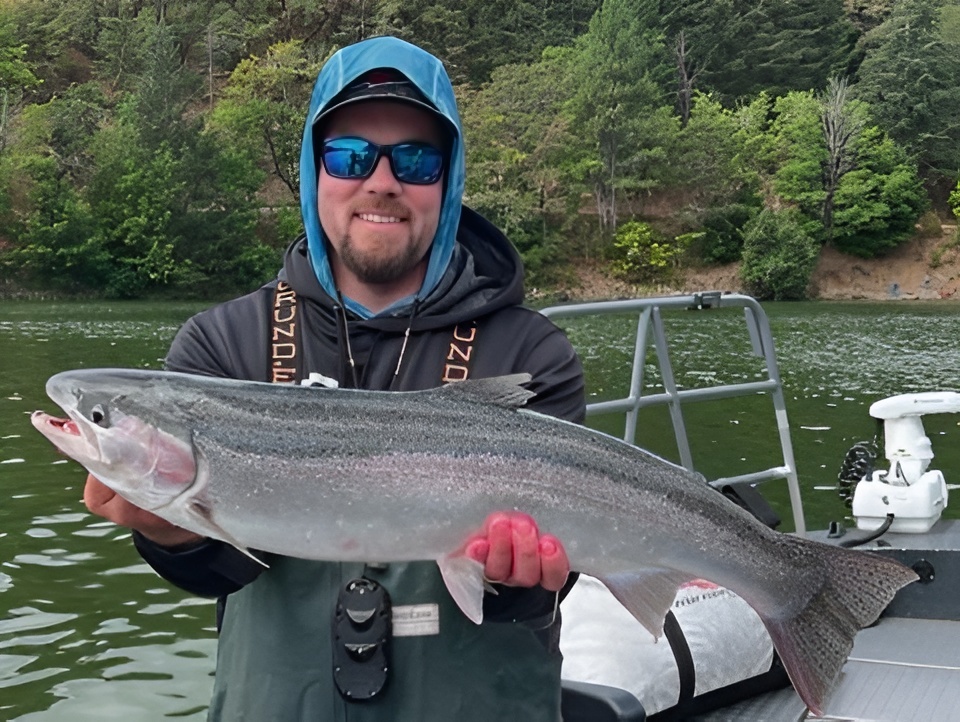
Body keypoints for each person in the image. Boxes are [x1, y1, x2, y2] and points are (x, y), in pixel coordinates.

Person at [83, 35, 585, 721]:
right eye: (349, 155)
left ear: (449, 180)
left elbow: (550, 587)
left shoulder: (530, 351)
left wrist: (523, 578)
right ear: (312, 169)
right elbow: (218, 574)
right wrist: (170, 532)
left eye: (416, 159)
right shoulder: (223, 343)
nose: (382, 181)